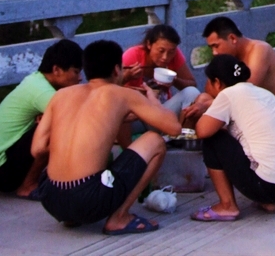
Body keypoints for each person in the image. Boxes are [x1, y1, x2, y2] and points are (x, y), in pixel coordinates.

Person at [33, 40, 181, 235]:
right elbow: (174, 128)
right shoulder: (122, 94)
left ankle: (71, 217)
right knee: (155, 141)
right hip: (89, 200)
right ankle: (119, 218)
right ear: (117, 69)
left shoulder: (61, 95)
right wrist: (154, 101)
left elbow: (37, 149)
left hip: (50, 198)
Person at [191, 55, 275, 221]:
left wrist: (204, 108)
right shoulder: (264, 93)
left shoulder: (228, 94)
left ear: (217, 82)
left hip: (269, 186)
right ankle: (268, 202)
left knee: (213, 140)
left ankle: (227, 206)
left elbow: (202, 131)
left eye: (208, 82)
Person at [0, 39, 83, 199]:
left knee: (54, 121)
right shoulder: (42, 92)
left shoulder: (37, 81)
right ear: (56, 69)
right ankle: (28, 186)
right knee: (58, 128)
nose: (80, 78)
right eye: (76, 72)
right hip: (0, 171)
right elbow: (81, 118)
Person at [190, 16, 275, 133]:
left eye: (216, 46)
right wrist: (203, 102)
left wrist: (208, 105)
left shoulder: (260, 50)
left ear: (232, 38)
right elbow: (211, 90)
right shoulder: (227, 59)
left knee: (216, 119)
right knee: (203, 99)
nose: (214, 52)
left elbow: (245, 93)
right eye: (211, 48)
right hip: (254, 110)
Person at [122, 25, 200, 131]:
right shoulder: (133, 55)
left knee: (192, 92)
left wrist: (175, 81)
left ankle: (182, 136)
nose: (165, 57)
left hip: (161, 113)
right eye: (161, 51)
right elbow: (110, 88)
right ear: (149, 44)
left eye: (171, 52)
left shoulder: (175, 55)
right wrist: (127, 77)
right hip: (136, 115)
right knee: (117, 110)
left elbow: (192, 83)